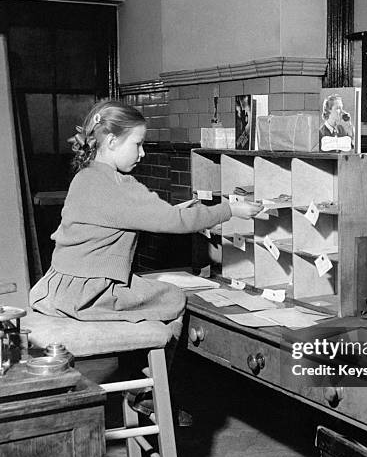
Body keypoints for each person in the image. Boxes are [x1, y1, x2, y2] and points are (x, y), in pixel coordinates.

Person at [29, 100, 262, 337]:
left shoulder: (84, 177)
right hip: (90, 294)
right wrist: (230, 210)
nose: (142, 153)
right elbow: (176, 222)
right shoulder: (121, 185)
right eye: (138, 144)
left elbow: (119, 217)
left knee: (149, 289)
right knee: (174, 297)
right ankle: (158, 367)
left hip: (57, 288)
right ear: (111, 141)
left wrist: (172, 212)